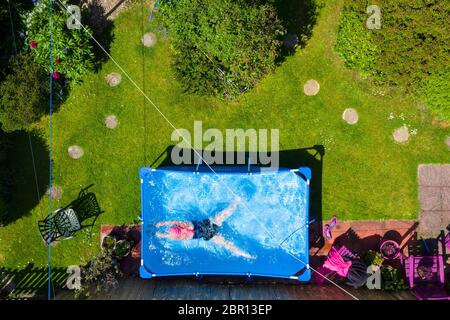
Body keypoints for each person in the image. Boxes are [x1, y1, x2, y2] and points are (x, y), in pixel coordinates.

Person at [155, 201, 255, 259]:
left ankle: (246, 255)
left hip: (210, 236)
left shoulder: (183, 237)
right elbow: (174, 221)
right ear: (178, 227)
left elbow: (172, 236)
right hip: (210, 224)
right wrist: (163, 223)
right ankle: (236, 202)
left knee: (228, 245)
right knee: (224, 214)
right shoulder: (186, 225)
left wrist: (163, 235)